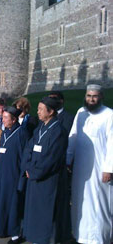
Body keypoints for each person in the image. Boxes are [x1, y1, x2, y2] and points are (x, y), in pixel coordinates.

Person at [67, 84, 113, 244]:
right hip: (80, 169)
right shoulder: (81, 113)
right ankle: (80, 236)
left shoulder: (109, 114)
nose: (91, 99)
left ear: (101, 97)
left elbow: (112, 143)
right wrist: (68, 158)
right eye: (88, 96)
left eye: (94, 96)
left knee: (99, 204)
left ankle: (100, 238)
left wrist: (109, 168)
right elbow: (73, 135)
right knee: (80, 201)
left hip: (99, 169)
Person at [21, 97, 71, 244]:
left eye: (41, 109)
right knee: (35, 211)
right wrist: (28, 168)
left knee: (47, 213)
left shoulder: (59, 131)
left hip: (48, 179)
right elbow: (28, 149)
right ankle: (35, 238)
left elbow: (52, 158)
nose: (38, 112)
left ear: (51, 111)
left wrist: (35, 172)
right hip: (33, 176)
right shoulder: (39, 128)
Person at [0, 106, 29, 242]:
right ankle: (2, 229)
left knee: (13, 205)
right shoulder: (4, 133)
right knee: (2, 203)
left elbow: (24, 158)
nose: (2, 120)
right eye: (2, 117)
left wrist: (21, 179)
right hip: (2, 175)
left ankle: (15, 233)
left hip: (14, 176)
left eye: (5, 118)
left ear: (14, 120)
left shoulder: (22, 133)